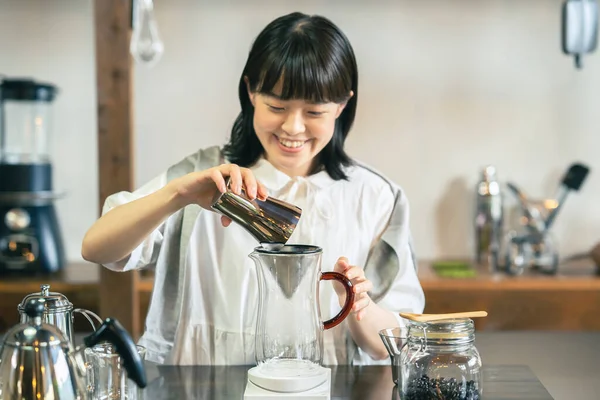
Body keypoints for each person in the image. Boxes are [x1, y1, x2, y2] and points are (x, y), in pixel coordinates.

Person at [81, 11, 424, 365]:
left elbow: (395, 344)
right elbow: (97, 248)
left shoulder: (376, 197)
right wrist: (177, 195)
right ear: (250, 91)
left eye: (314, 112)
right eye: (277, 106)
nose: (293, 127)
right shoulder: (203, 177)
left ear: (341, 105)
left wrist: (358, 307)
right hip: (197, 386)